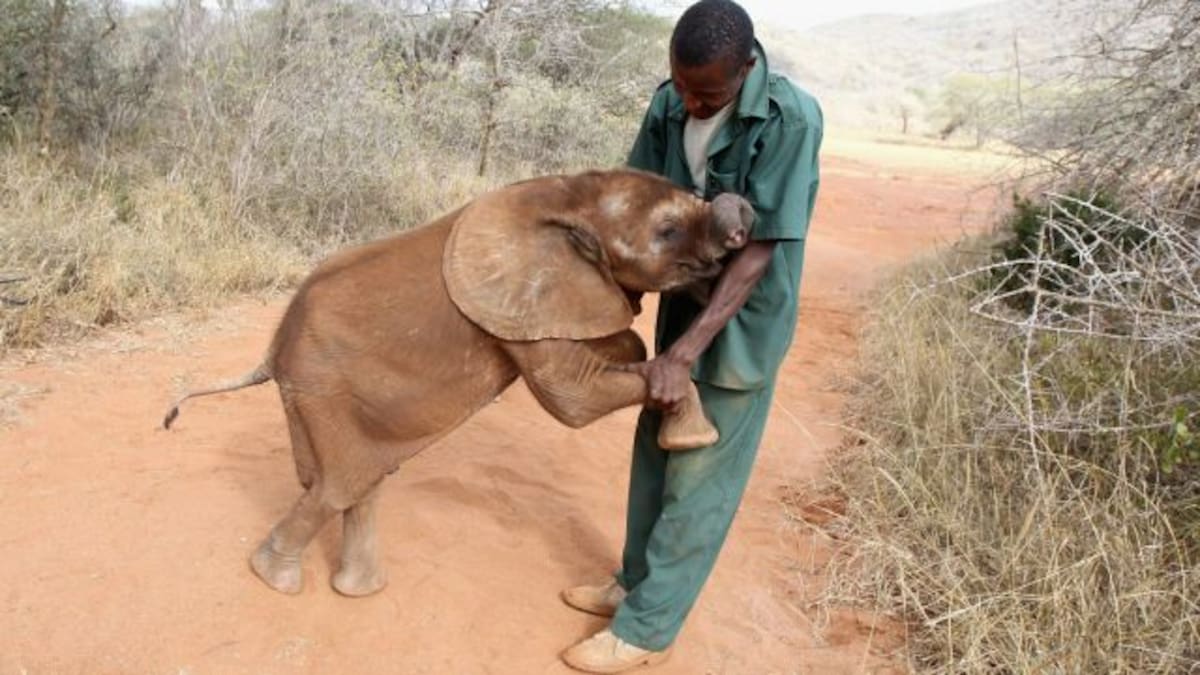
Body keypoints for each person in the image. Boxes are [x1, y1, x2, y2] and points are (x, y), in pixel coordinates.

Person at [559, 0, 823, 671]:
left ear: (746, 68)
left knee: (699, 479)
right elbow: (634, 201)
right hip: (684, 300)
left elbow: (760, 251)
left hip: (742, 324)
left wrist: (684, 353)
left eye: (708, 92)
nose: (691, 102)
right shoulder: (669, 103)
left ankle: (647, 628)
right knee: (656, 450)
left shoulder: (791, 119)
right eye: (681, 84)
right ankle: (632, 583)